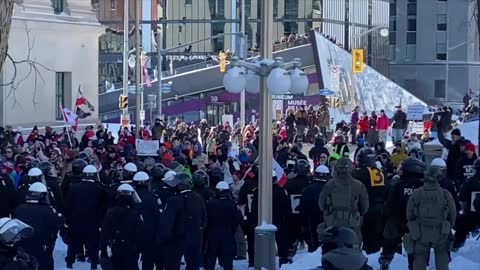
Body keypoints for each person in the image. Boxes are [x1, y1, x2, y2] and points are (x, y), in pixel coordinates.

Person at [405, 164, 456, 270]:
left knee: (419, 258)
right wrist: (448, 226)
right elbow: (453, 214)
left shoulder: (417, 193)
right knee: (442, 257)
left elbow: (409, 214)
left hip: (421, 231)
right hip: (441, 231)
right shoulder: (445, 194)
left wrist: (414, 226)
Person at [380, 157, 425, 270]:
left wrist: (386, 217)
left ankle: (386, 262)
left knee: (389, 243)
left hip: (397, 220)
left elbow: (389, 205)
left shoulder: (398, 184)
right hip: (416, 223)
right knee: (415, 251)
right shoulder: (424, 186)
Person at [64, 165, 107, 270]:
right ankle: (93, 264)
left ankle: (69, 263)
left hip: (76, 222)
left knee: (73, 244)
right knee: (93, 245)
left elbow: (68, 205)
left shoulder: (74, 187)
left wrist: (68, 221)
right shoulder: (100, 188)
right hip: (93, 223)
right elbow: (103, 208)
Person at [15, 182, 64, 270]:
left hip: (23, 247)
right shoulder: (47, 210)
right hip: (42, 247)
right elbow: (58, 223)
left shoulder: (20, 208)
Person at [318, 158, 369, 241]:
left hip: (333, 226)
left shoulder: (329, 185)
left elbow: (321, 205)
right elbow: (364, 208)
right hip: (352, 225)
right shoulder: (359, 185)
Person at [352, 148, 388, 254]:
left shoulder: (360, 173)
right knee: (374, 242)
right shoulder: (381, 172)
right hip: (380, 209)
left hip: (365, 209)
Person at [101, 184, 143, 270]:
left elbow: (105, 232)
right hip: (132, 248)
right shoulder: (136, 213)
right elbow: (140, 232)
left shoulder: (111, 212)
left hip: (116, 246)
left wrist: (103, 250)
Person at [204, 181, 243, 270]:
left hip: (212, 235)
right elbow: (239, 219)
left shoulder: (209, 204)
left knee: (211, 258)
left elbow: (205, 218)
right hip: (228, 235)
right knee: (227, 260)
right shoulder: (232, 205)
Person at [132, 171, 160, 270]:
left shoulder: (130, 197)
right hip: (149, 233)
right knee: (148, 260)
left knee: (132, 259)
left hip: (132, 233)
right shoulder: (153, 198)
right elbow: (158, 217)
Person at [298, 165, 330, 252]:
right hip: (327, 223)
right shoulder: (332, 189)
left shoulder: (308, 189)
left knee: (313, 248)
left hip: (311, 224)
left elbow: (302, 209)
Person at [452, 158, 480, 251]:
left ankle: (456, 246)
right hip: (472, 215)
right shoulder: (470, 181)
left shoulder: (469, 181)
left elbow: (462, 199)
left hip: (471, 215)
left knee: (460, 225)